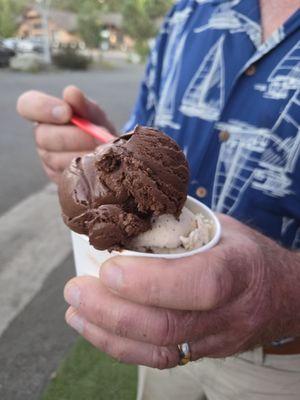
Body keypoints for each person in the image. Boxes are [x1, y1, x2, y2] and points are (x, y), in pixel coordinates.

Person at [17, 0, 300, 398]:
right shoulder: (189, 10)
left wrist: (282, 289)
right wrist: (99, 164)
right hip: (160, 347)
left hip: (282, 366)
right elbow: (141, 134)